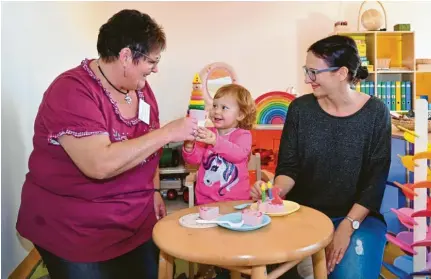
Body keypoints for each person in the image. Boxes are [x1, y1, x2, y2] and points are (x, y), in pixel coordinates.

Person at [16, 9, 197, 279]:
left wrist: (154, 191)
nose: (156, 68)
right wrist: (168, 133)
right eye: (151, 60)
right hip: (75, 229)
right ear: (126, 56)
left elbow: (148, 150)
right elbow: (99, 164)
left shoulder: (141, 90)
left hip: (133, 219)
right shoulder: (71, 91)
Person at [251, 35, 391, 279]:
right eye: (307, 71)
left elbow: (374, 184)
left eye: (314, 72)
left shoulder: (376, 113)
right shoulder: (300, 109)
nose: (307, 79)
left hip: (357, 218)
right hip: (301, 215)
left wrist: (347, 227)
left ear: (341, 73)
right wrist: (274, 192)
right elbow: (288, 168)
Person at [182, 83, 256, 279]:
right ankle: (209, 268)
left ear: (240, 115)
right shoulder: (208, 133)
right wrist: (189, 146)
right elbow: (194, 161)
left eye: (224, 107)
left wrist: (214, 142)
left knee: (232, 242)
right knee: (207, 242)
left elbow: (239, 154)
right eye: (215, 106)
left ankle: (233, 269)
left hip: (235, 204)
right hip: (206, 201)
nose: (217, 111)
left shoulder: (243, 135)